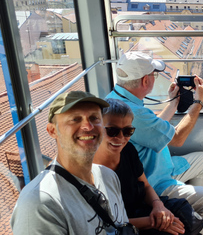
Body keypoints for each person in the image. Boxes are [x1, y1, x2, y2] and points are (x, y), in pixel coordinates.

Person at [106, 51, 203, 235]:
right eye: (153, 74)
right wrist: (198, 102)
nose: (154, 78)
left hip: (164, 166)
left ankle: (196, 220)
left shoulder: (117, 99)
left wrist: (173, 103)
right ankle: (200, 225)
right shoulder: (133, 112)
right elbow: (178, 139)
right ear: (145, 81)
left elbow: (153, 127)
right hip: (155, 180)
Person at [11, 91, 130, 234]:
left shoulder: (108, 177)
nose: (88, 126)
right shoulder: (39, 203)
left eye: (94, 118)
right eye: (75, 119)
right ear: (52, 131)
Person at [94, 98, 186, 235]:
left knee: (186, 217)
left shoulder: (128, 150)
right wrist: (153, 222)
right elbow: (104, 224)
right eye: (112, 131)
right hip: (122, 228)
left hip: (141, 212)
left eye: (127, 131)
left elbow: (146, 185)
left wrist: (158, 205)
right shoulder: (89, 170)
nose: (120, 138)